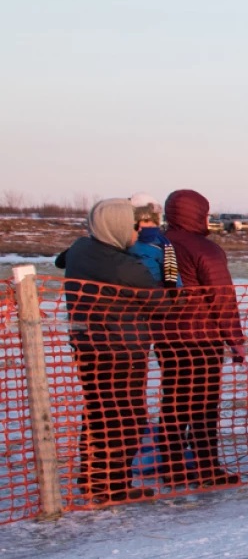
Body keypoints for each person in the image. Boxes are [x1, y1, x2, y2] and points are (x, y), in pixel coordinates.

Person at [62, 199, 161, 504]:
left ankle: (91, 480)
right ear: (117, 228)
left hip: (87, 345)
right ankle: (116, 484)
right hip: (122, 350)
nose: (137, 232)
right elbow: (161, 303)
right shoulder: (124, 267)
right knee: (127, 417)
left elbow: (59, 259)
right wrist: (171, 283)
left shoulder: (79, 250)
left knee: (97, 413)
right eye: (133, 226)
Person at [159, 188, 246, 486]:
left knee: (173, 403)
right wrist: (234, 339)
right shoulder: (205, 250)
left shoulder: (159, 244)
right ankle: (207, 468)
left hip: (166, 338)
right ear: (197, 214)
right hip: (201, 339)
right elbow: (222, 297)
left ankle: (171, 466)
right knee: (204, 404)